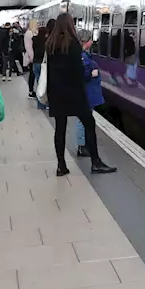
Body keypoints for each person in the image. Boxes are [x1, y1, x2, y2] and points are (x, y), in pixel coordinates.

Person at [46, 13, 115, 177]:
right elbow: (78, 71)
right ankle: (96, 162)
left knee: (60, 130)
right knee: (89, 124)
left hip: (56, 92)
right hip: (74, 93)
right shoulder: (74, 44)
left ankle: (61, 166)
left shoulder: (50, 44)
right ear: (70, 25)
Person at [74, 29, 102, 158]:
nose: (92, 42)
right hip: (86, 93)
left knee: (84, 119)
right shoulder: (82, 56)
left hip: (85, 92)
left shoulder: (81, 54)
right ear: (86, 42)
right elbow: (82, 74)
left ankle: (83, 145)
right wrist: (91, 73)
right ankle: (82, 146)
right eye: (90, 40)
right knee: (83, 120)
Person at [31, 19, 52, 107]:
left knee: (39, 83)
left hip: (35, 63)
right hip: (44, 64)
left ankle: (40, 104)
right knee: (44, 83)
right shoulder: (47, 41)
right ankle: (45, 103)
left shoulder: (34, 39)